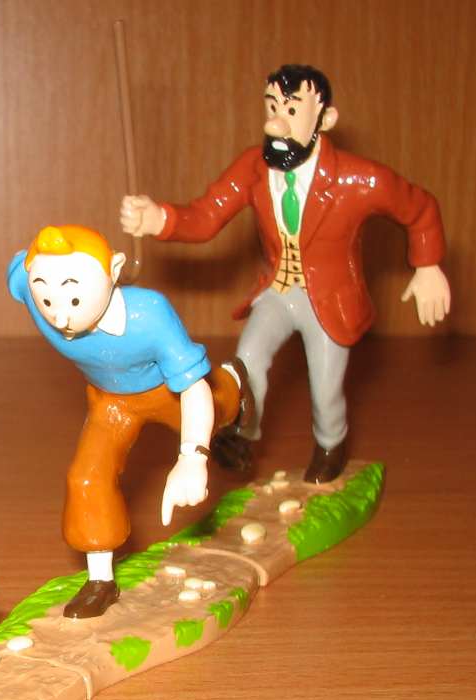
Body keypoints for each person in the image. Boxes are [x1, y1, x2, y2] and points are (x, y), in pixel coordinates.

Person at [120, 64, 450, 483]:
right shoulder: (254, 168)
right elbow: (207, 215)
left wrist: (427, 265)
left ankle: (330, 445)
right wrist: (160, 218)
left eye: (291, 110)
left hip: (329, 300)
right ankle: (242, 434)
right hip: (278, 290)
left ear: (325, 119)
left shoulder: (358, 178)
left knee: (324, 385)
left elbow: (420, 208)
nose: (275, 123)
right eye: (272, 107)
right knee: (247, 361)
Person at [7, 225, 246, 619]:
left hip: (166, 390)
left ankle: (235, 383)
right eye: (46, 298)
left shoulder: (150, 315)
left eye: (74, 297)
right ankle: (101, 580)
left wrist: (192, 458)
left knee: (214, 412)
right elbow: (18, 267)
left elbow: (192, 388)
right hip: (110, 401)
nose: (60, 315)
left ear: (115, 270)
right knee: (86, 478)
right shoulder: (28, 282)